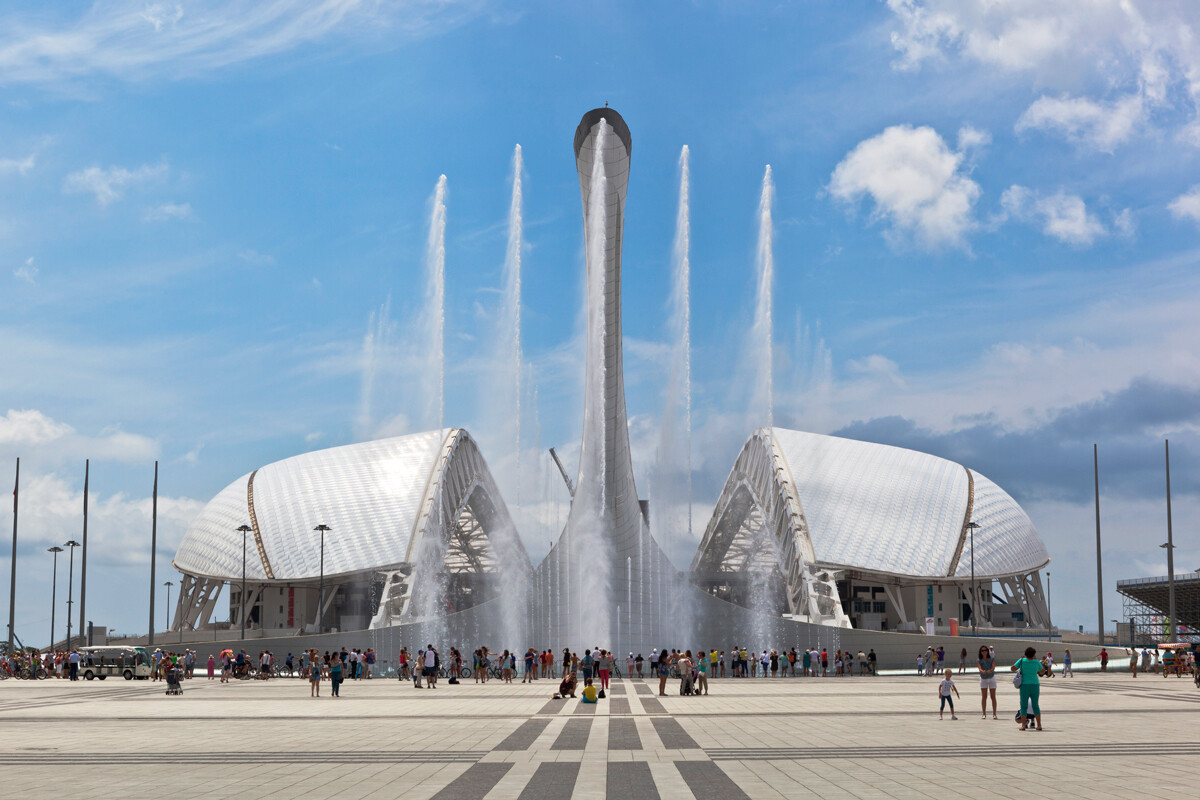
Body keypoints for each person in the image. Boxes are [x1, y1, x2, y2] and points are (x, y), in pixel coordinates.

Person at [1011, 646, 1043, 731]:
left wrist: (1020, 659)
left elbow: (1012, 668)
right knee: (1035, 705)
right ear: (1034, 654)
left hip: (1024, 685)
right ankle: (1039, 725)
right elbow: (1042, 672)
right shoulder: (1036, 662)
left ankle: (1023, 725)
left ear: (1025, 654)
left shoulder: (1022, 661)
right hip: (1035, 685)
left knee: (1024, 706)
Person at [977, 645, 997, 719]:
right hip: (983, 678)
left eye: (985, 650)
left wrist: (990, 670)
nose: (984, 652)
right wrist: (983, 671)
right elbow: (979, 668)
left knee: (993, 696)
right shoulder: (979, 659)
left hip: (991, 677)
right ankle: (984, 713)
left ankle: (994, 713)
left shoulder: (992, 658)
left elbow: (993, 666)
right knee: (984, 696)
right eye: (982, 650)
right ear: (980, 652)